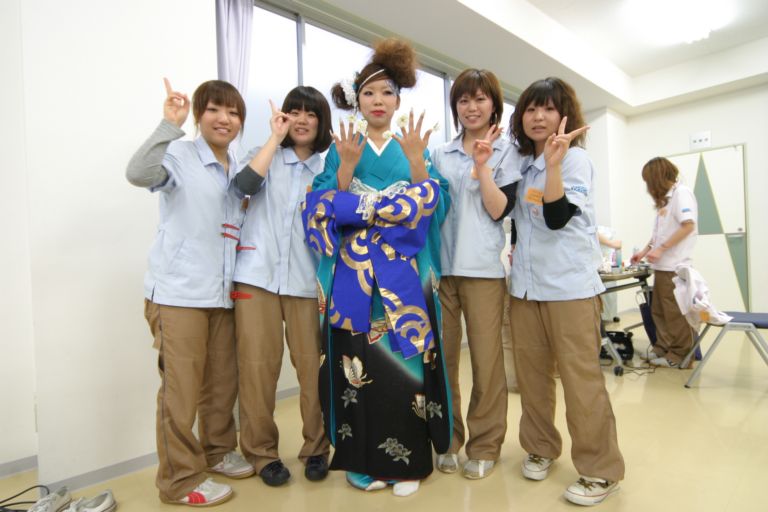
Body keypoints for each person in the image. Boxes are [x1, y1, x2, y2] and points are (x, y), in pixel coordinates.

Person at [302, 38, 452, 497]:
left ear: (399, 100)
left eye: (387, 92)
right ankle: (363, 460)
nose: (378, 101)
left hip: (403, 270)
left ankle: (408, 464)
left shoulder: (415, 147)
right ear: (357, 100)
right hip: (355, 275)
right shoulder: (342, 147)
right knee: (358, 364)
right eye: (369, 93)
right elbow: (320, 205)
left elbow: (437, 204)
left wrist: (417, 165)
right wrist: (346, 169)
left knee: (406, 364)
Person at [126, 79, 254, 507]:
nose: (224, 119)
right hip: (178, 294)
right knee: (180, 392)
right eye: (214, 109)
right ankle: (179, 480)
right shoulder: (179, 155)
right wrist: (169, 125)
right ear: (199, 115)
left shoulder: (237, 165)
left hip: (221, 294)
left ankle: (216, 452)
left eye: (233, 112)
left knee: (221, 384)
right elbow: (138, 174)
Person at [507, 77, 625, 506]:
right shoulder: (522, 165)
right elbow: (518, 223)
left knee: (581, 380)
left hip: (570, 288)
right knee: (532, 377)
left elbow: (557, 218)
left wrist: (554, 165)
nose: (538, 117)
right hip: (526, 289)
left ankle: (600, 470)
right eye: (531, 109)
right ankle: (541, 446)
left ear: (564, 115)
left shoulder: (575, 161)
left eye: (548, 109)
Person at [231, 86, 333, 486]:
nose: (302, 120)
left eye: (311, 113)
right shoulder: (264, 154)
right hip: (257, 277)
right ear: (283, 117)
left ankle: (316, 448)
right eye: (295, 112)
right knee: (257, 369)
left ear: (322, 122)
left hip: (307, 282)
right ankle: (261, 454)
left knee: (313, 369)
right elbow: (243, 186)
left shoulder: (327, 169)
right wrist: (274, 139)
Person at [430, 68, 521, 479]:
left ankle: (485, 445)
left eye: (480, 99)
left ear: (494, 105)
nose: (471, 107)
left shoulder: (507, 152)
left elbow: (499, 209)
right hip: (441, 270)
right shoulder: (440, 153)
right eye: (464, 100)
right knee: (443, 361)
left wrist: (483, 166)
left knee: (486, 362)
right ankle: (447, 440)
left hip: (482, 270)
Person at [630, 157, 698, 368]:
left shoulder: (681, 194)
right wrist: (644, 252)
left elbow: (688, 226)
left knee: (675, 314)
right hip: (661, 267)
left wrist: (661, 249)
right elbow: (659, 235)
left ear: (657, 178)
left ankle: (680, 356)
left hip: (674, 267)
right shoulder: (666, 201)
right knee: (659, 311)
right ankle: (663, 348)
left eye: (648, 182)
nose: (648, 187)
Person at [597, 226, 622, 322]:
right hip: (597, 264)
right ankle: (602, 318)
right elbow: (594, 233)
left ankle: (611, 314)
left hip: (606, 261)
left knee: (610, 293)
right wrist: (611, 244)